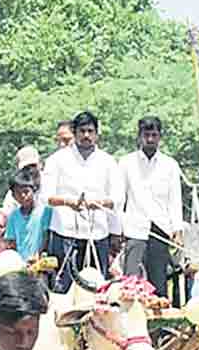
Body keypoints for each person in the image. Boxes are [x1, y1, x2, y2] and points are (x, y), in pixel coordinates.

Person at [43, 111, 123, 293]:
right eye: (82, 131)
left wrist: (100, 203)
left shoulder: (108, 162)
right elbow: (45, 197)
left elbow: (118, 198)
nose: (86, 135)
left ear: (97, 133)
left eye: (90, 131)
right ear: (74, 132)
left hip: (98, 233)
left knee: (96, 288)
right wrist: (68, 202)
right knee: (63, 288)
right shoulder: (57, 160)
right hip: (65, 232)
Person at [119, 116, 184, 295]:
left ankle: (159, 323)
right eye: (146, 135)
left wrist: (177, 230)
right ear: (139, 136)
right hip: (134, 229)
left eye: (154, 135)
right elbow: (119, 199)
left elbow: (174, 200)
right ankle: (130, 321)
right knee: (131, 284)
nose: (150, 139)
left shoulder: (170, 165)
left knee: (158, 284)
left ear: (160, 137)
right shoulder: (126, 163)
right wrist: (120, 229)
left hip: (161, 230)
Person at [2, 168, 53, 262]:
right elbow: (11, 242)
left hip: (40, 263)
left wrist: (39, 255)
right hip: (21, 265)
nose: (23, 196)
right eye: (18, 193)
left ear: (34, 190)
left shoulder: (45, 211)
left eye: (26, 192)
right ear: (13, 196)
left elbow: (47, 237)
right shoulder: (13, 216)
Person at [2, 146, 43, 215]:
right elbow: (7, 215)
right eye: (26, 167)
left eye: (33, 165)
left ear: (40, 164)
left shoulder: (51, 182)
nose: (30, 169)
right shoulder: (13, 194)